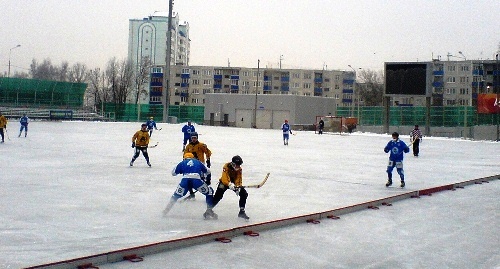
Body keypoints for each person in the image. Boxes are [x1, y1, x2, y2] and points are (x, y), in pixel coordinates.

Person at [163, 152, 217, 219]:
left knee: (175, 196)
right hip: (196, 180)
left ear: (184, 158)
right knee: (209, 192)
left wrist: (182, 170)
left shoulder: (182, 163)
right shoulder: (198, 162)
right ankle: (209, 211)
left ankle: (166, 211)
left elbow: (173, 173)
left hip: (185, 180)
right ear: (193, 157)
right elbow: (208, 171)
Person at [211, 155, 250, 220]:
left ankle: (241, 212)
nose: (238, 166)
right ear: (233, 164)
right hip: (224, 183)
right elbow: (224, 178)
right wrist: (229, 184)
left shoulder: (239, 169)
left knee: (244, 194)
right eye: (237, 165)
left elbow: (238, 179)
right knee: (218, 196)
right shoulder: (226, 166)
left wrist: (238, 186)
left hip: (234, 183)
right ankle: (209, 210)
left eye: (239, 165)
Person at [183, 132, 212, 200]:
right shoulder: (188, 146)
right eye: (192, 138)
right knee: (189, 180)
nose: (193, 139)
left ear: (197, 138)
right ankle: (191, 193)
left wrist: (208, 160)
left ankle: (208, 193)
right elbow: (185, 155)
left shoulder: (201, 145)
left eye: (195, 138)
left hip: (200, 165)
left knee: (202, 180)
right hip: (191, 166)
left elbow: (208, 152)